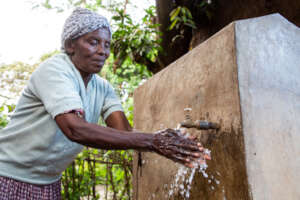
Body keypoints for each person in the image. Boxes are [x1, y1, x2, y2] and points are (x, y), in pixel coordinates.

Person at [0, 8, 208, 199]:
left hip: (47, 182)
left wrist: (172, 140)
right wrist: (154, 142)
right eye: (93, 42)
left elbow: (125, 133)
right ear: (70, 45)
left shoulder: (102, 87)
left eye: (106, 44)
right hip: (7, 175)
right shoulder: (54, 71)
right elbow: (74, 129)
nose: (103, 51)